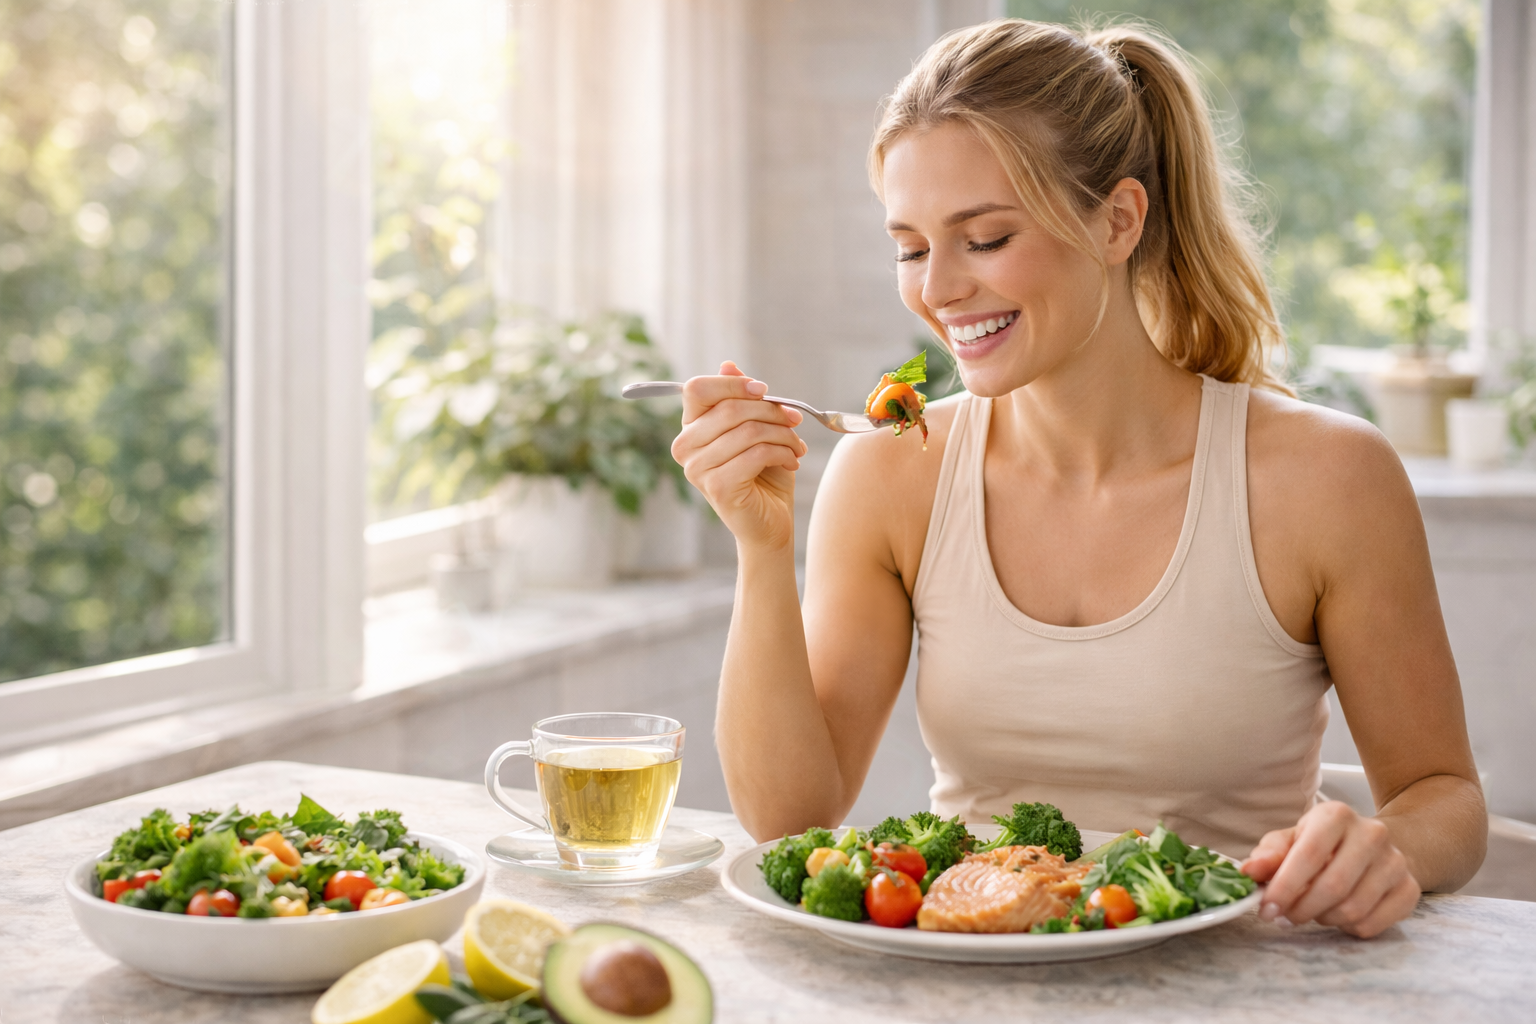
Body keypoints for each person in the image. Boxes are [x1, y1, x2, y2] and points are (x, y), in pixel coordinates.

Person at [670, 19, 1485, 939]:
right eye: (909, 247)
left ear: (1118, 220)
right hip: (966, 979)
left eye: (983, 238)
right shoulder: (892, 473)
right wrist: (760, 546)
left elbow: (1443, 797)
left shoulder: (1327, 477)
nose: (937, 288)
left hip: (1239, 981)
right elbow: (790, 818)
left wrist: (1391, 848)